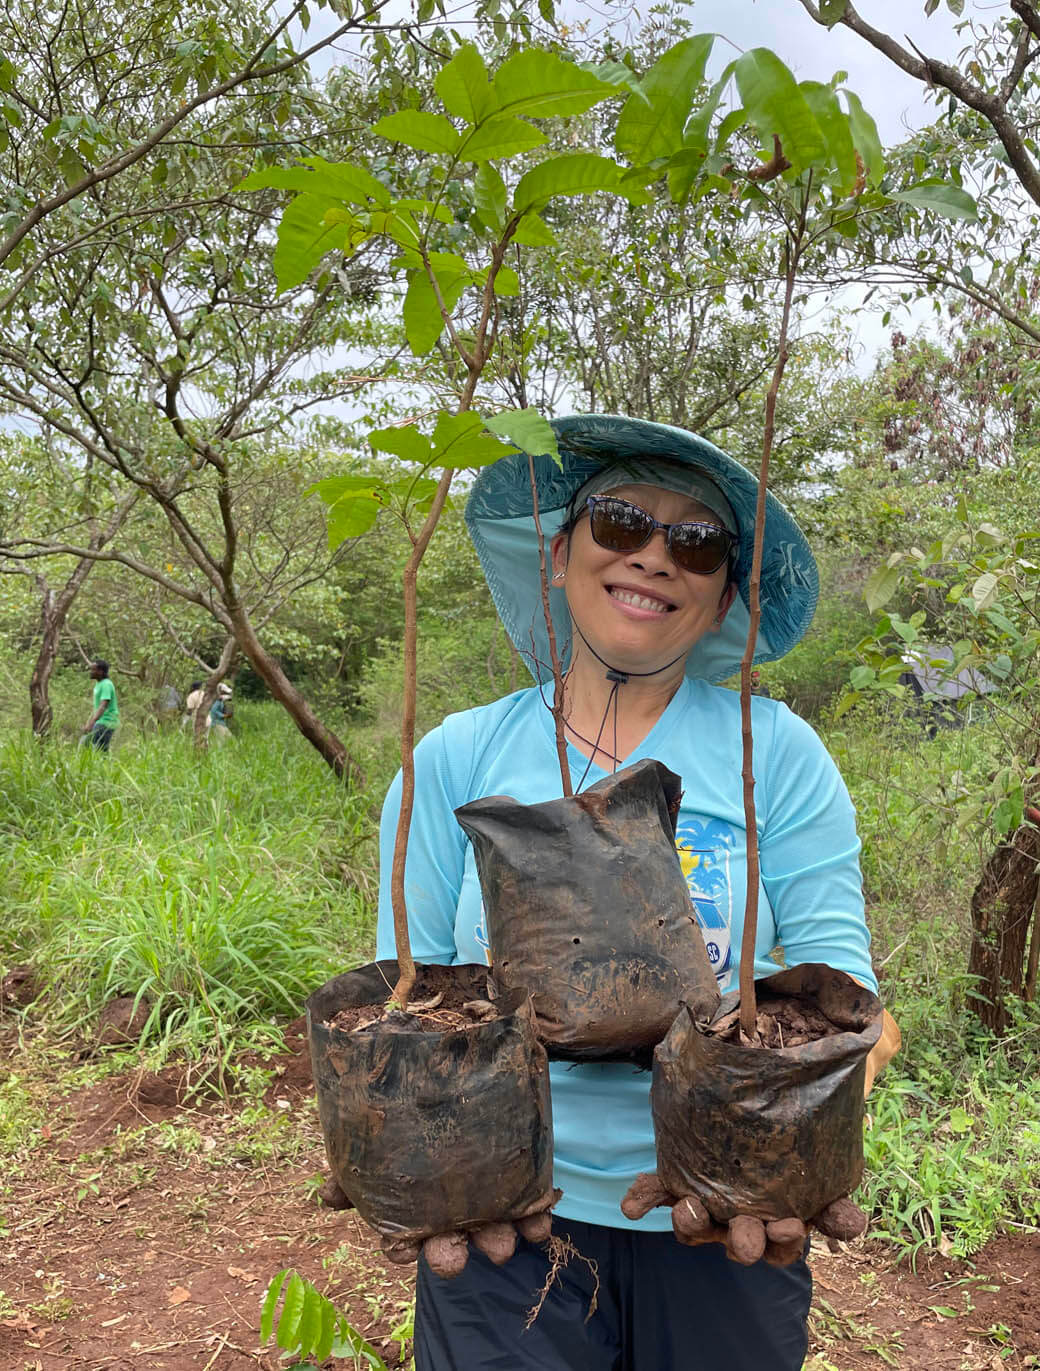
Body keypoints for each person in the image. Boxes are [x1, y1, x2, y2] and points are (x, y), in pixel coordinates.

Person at [376, 415, 898, 1371]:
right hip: (507, 1223)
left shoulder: (776, 757)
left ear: (724, 594)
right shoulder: (452, 758)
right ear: (560, 554)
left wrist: (786, 1161)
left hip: (722, 1225)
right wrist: (409, 1160)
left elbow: (854, 1011)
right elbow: (403, 1009)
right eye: (620, 523)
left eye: (696, 542)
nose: (655, 557)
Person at [81, 659, 120, 751]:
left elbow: (103, 706)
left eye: (93, 670)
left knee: (92, 747)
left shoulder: (106, 684)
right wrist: (89, 723)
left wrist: (92, 723)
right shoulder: (99, 684)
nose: (91, 672)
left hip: (106, 722)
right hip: (100, 721)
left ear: (100, 672)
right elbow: (97, 707)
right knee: (92, 747)